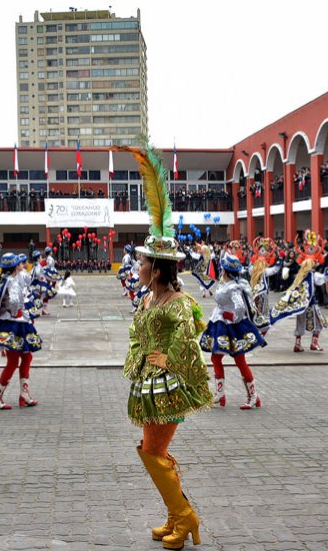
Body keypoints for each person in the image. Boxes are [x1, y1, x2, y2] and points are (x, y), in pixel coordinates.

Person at [119, 142, 212, 550]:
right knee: (148, 451)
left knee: (152, 452)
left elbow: (190, 345)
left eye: (141, 263)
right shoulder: (148, 298)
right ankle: (178, 516)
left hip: (169, 388)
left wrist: (162, 359)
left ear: (157, 269)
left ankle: (186, 515)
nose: (136, 268)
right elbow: (139, 334)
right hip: (148, 385)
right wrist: (142, 355)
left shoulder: (178, 304)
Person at [0, 253, 42, 409]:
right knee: (13, 361)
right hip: (13, 324)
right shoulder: (10, 281)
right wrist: (17, 310)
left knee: (27, 357)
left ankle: (24, 394)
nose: (22, 264)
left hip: (20, 322)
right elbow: (14, 302)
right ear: (15, 266)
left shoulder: (9, 280)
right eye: (19, 263)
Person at [200, 251, 267, 409]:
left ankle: (253, 396)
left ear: (226, 271)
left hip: (231, 326)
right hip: (219, 323)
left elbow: (241, 306)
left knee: (240, 361)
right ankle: (220, 395)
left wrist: (233, 317)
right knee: (216, 358)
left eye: (222, 268)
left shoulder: (234, 287)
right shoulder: (226, 284)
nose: (220, 271)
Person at [270, 230, 328, 353]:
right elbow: (321, 279)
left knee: (303, 322)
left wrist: (327, 274)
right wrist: (327, 274)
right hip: (309, 302)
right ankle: (309, 344)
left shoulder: (303, 275)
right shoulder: (307, 275)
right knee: (317, 322)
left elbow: (321, 279)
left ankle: (300, 344)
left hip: (303, 302)